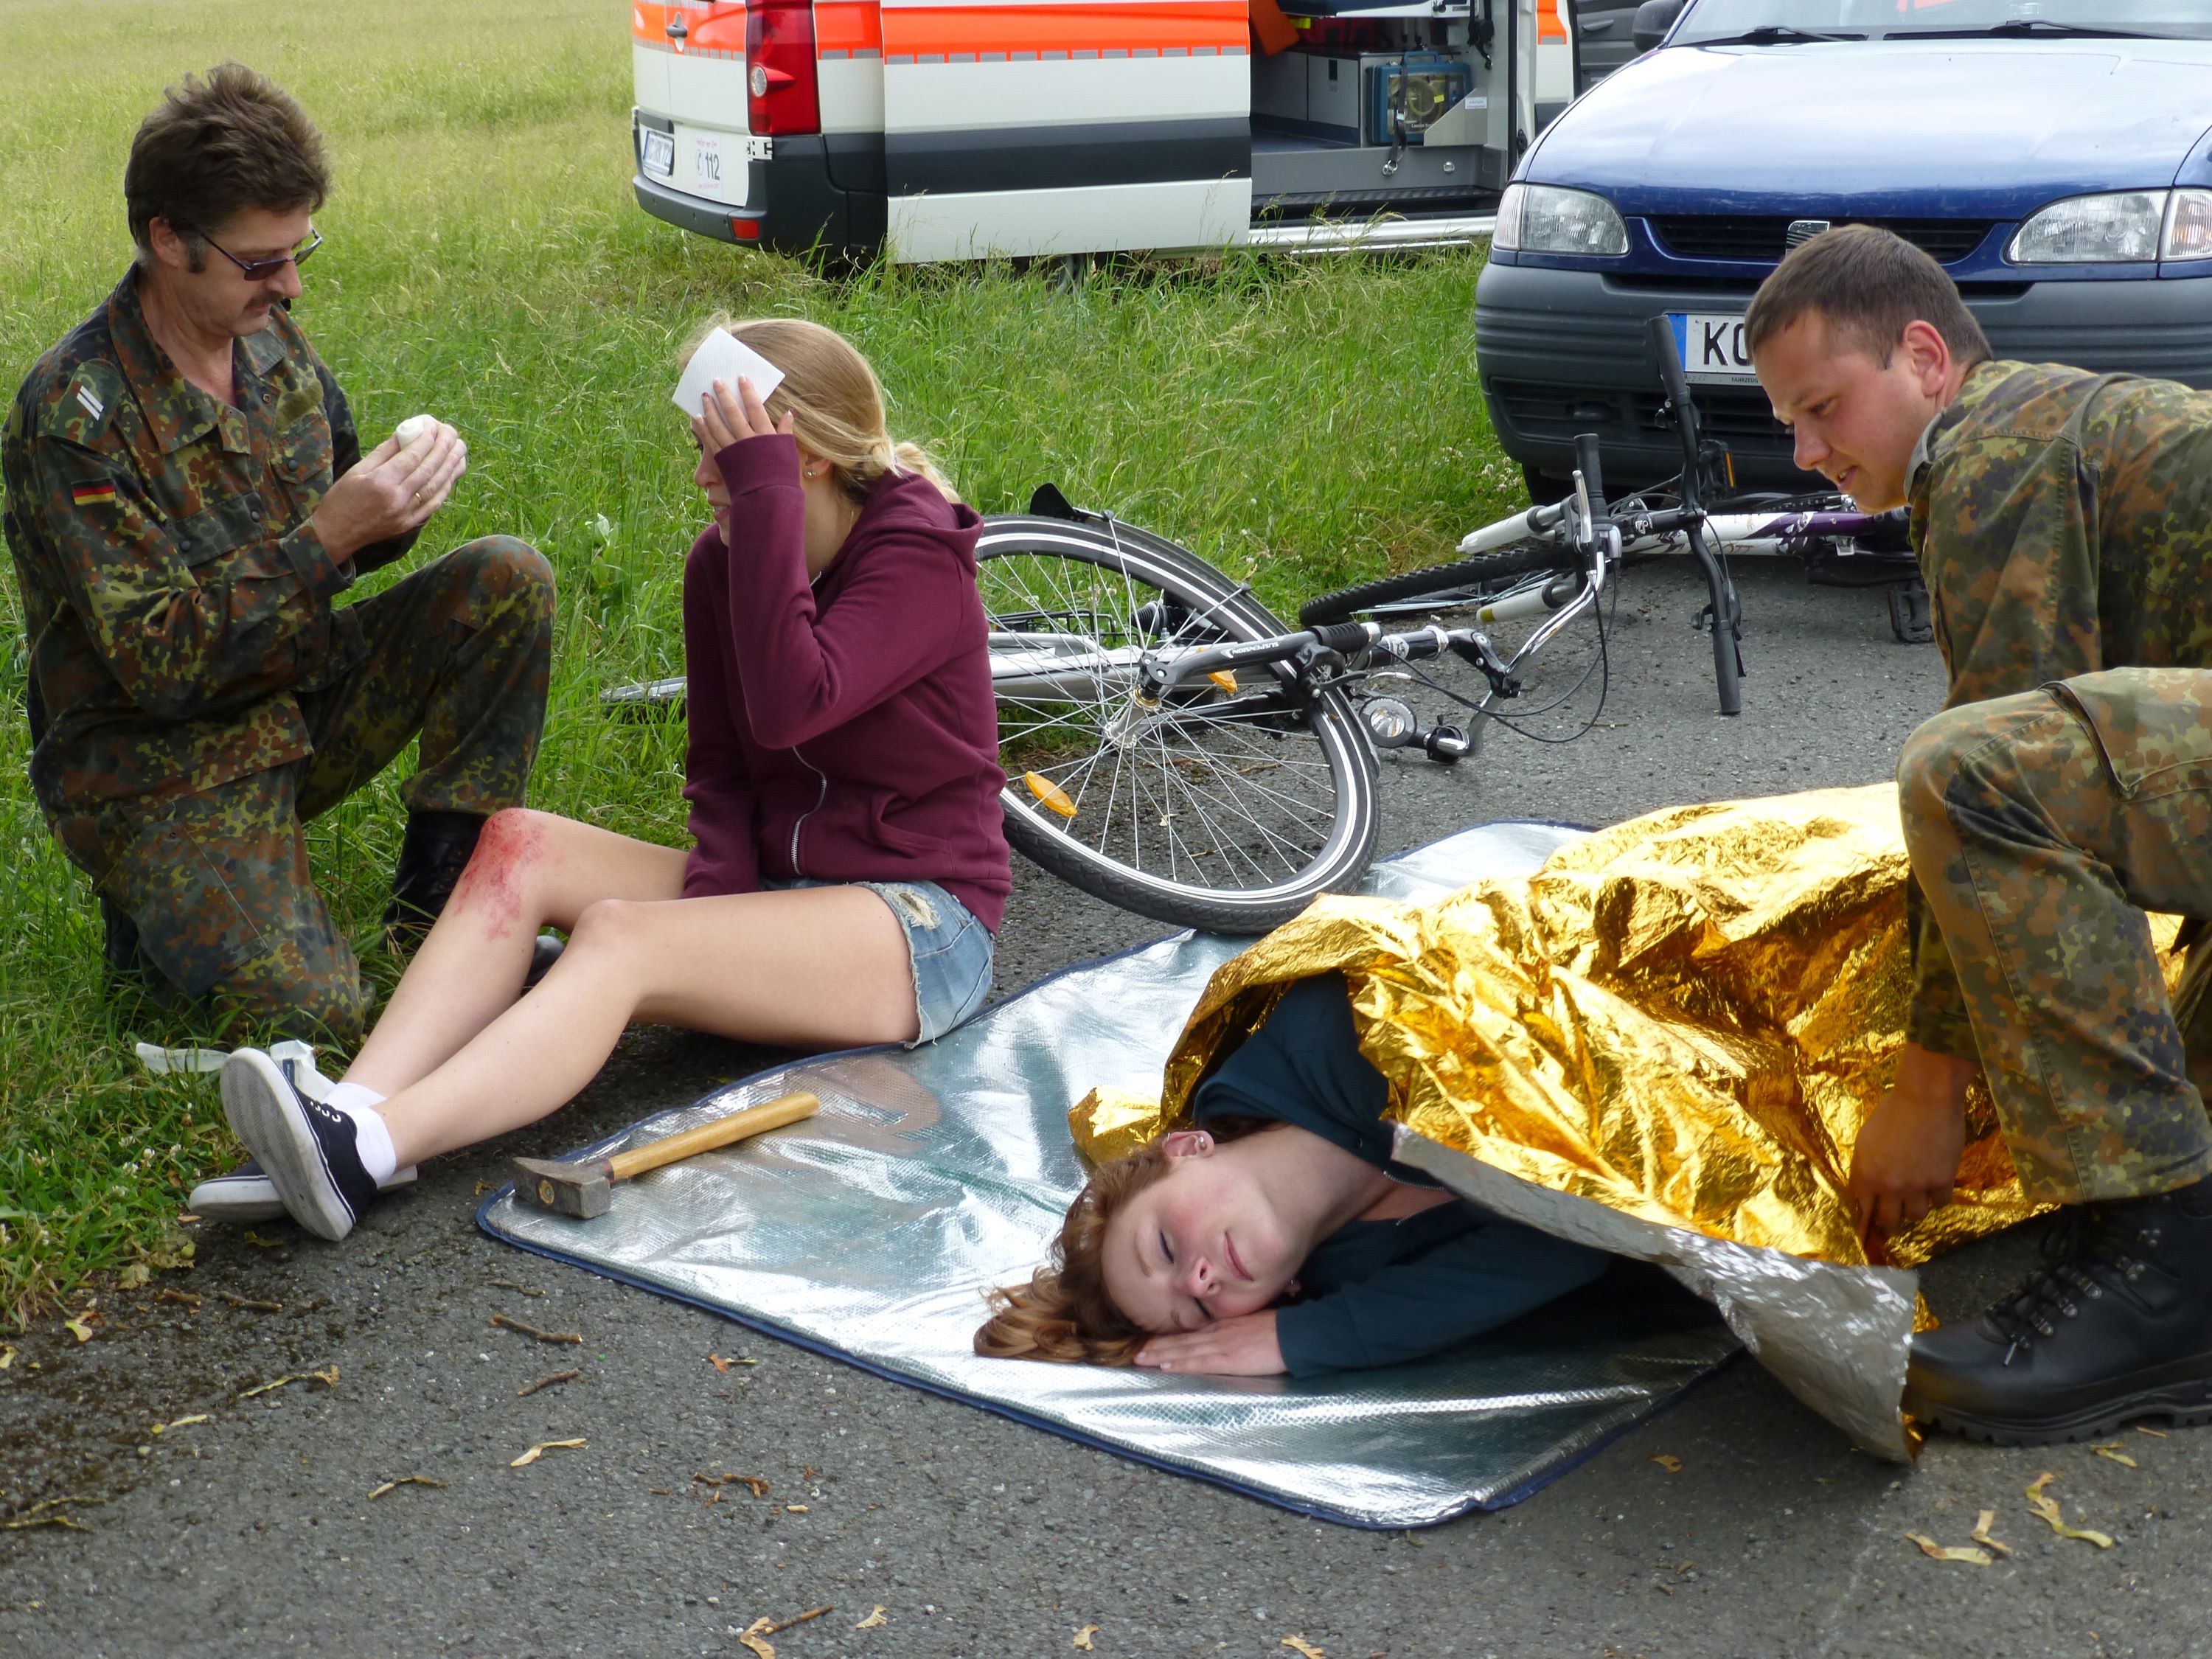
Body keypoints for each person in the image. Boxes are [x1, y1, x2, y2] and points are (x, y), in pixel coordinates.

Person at [212, 316, 1012, 1242]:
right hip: (790, 893)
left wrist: (761, 505)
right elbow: (721, 766)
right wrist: (716, 923)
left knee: (621, 938)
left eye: (727, 455)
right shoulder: (721, 562)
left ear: (808, 458)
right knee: (522, 841)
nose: (704, 478)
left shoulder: (915, 553)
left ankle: (373, 1152)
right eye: (700, 449)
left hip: (920, 924)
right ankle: (348, 1112)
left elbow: (799, 702)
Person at [1747, 223, 2212, 1442]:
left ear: (1925, 359)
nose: (1808, 455)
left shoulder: (1994, 448)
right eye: (1792, 426)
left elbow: (1997, 779)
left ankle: (2161, 1299)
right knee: (2189, 1118)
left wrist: (1926, 1086)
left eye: (1824, 408)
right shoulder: (2070, 426)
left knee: (1965, 773)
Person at [1, 63, 555, 1044]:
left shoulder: (272, 348)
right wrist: (327, 538)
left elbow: (339, 546)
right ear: (169, 239)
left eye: (300, 253)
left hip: (290, 694)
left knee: (504, 579)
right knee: (317, 1014)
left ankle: (437, 915)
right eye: (263, 263)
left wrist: (394, 501)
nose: (291, 285)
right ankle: (153, 929)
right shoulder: (77, 413)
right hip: (152, 762)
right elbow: (155, 667)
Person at [975, 973, 1610, 1375]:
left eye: (1164, 1246)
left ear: (1190, 1147)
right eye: (1200, 1311)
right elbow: (1579, 1231)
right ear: (1275, 1303)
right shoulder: (1350, 1273)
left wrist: (1319, 1336)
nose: (1200, 1279)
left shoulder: (1331, 1033)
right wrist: (1307, 1337)